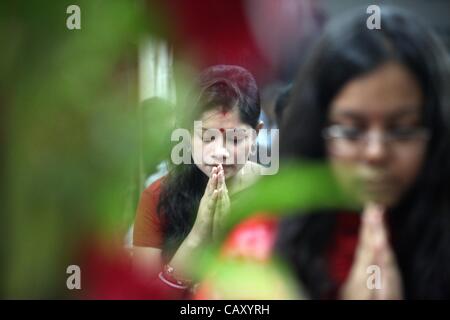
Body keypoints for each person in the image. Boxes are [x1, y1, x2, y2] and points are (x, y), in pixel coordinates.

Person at [214, 7, 450, 300]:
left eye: (402, 130)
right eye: (351, 131)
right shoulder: (258, 252)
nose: (376, 152)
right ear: (317, 132)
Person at [132, 65, 265, 292]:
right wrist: (199, 232)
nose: (220, 152)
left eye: (236, 140)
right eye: (207, 137)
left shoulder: (275, 192)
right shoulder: (156, 198)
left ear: (257, 134)